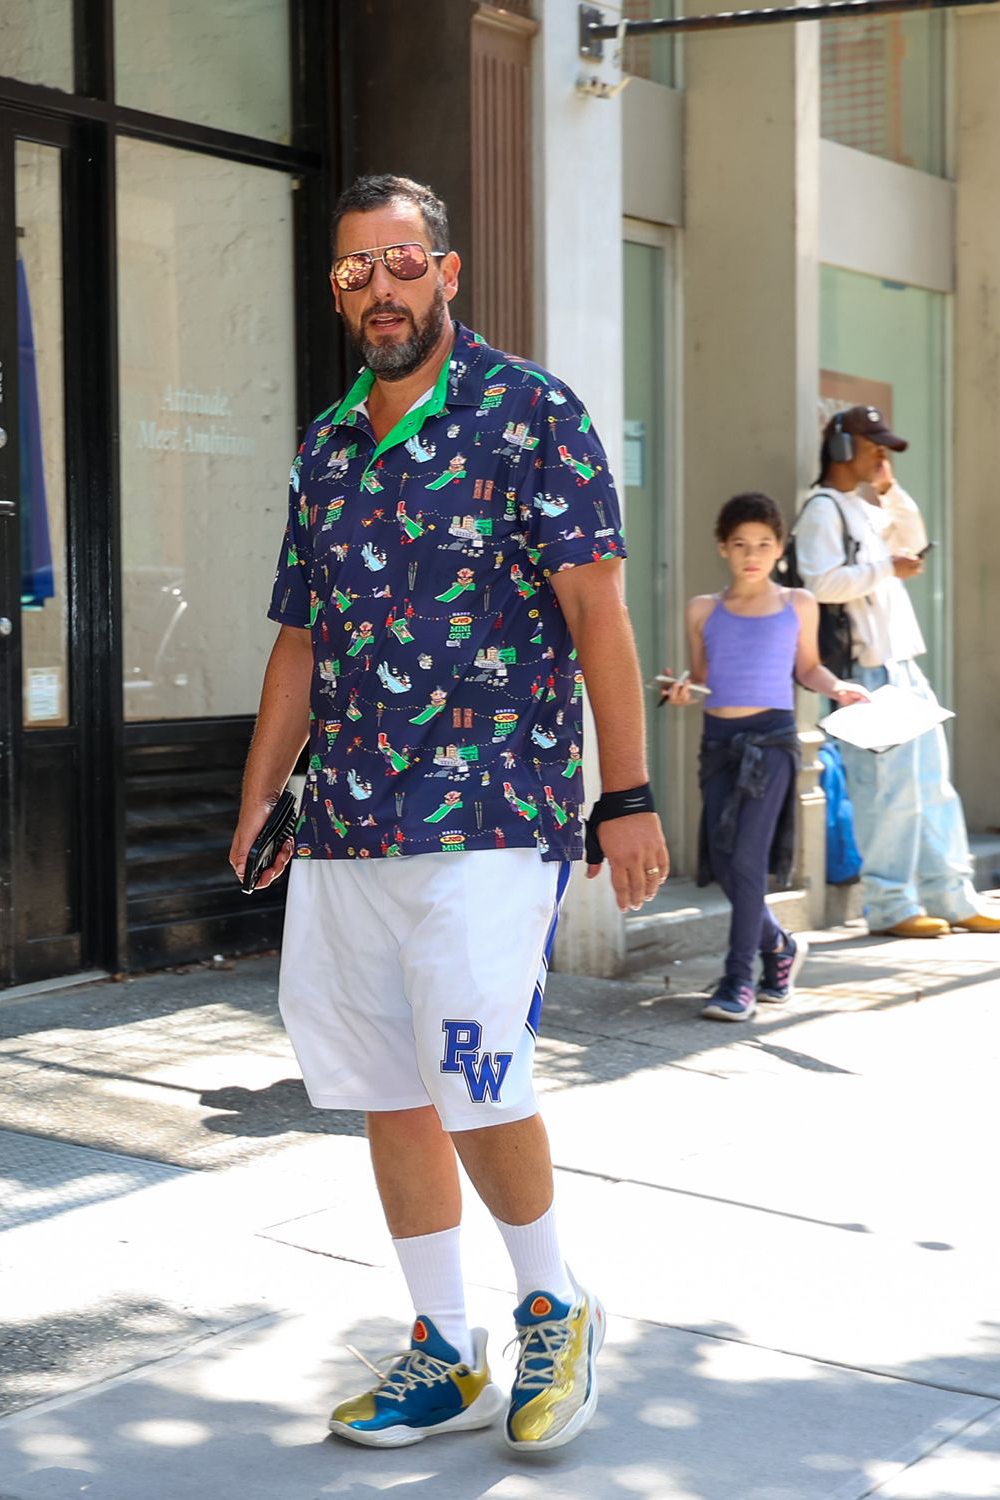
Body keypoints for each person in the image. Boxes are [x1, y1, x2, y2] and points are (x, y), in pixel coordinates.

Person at [230, 174, 663, 1453]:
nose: (381, 289)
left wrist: (624, 794)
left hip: (491, 808)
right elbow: (301, 637)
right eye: (356, 270)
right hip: (349, 819)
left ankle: (551, 1302)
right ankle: (442, 1346)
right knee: (385, 1086)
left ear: (448, 271)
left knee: (475, 1074)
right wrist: (262, 794)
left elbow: (598, 612)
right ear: (336, 290)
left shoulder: (531, 414)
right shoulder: (325, 443)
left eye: (401, 262)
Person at [794, 409, 1000, 939]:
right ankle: (890, 906)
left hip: (901, 665)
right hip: (864, 673)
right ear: (843, 446)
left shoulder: (863, 505)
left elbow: (912, 536)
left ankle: (953, 896)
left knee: (933, 785)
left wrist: (890, 490)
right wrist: (886, 568)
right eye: (874, 448)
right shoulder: (821, 509)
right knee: (889, 793)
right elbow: (818, 584)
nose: (880, 456)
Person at [662, 493, 869, 1021]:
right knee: (725, 861)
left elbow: (809, 668)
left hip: (772, 743)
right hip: (717, 745)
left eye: (764, 544)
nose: (752, 554)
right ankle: (781, 944)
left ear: (779, 549)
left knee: (747, 859)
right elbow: (704, 678)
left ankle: (739, 981)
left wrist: (839, 686)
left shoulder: (798, 603)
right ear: (722, 549)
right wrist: (684, 690)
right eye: (740, 544)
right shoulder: (702, 609)